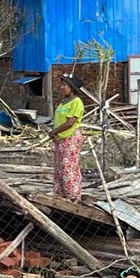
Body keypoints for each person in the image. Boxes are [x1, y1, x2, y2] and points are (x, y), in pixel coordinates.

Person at [49, 73, 85, 202]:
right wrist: (55, 133)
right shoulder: (63, 102)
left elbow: (70, 122)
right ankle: (60, 195)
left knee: (68, 167)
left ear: (72, 88)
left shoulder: (76, 102)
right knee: (59, 167)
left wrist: (54, 132)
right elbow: (59, 120)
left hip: (71, 138)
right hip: (61, 138)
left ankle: (73, 196)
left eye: (64, 85)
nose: (61, 87)